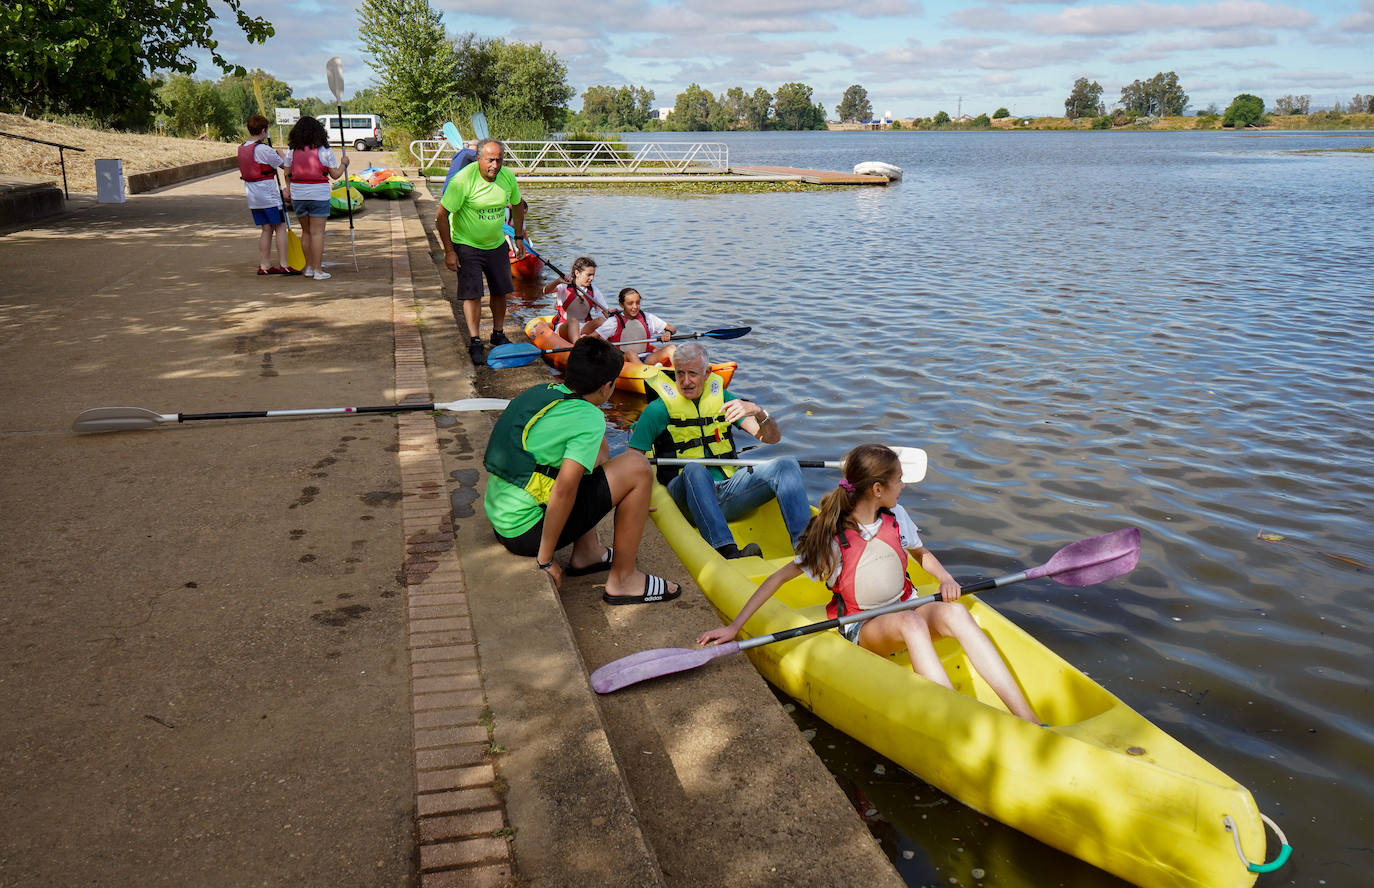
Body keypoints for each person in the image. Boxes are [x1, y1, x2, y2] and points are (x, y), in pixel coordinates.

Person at [696, 444, 1042, 724]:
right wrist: (736, 627)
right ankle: (956, 722)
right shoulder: (831, 537)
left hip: (907, 604)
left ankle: (1027, 719)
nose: (904, 485)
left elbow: (922, 555)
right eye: (899, 480)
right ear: (878, 489)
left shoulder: (896, 516)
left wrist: (946, 578)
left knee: (958, 615)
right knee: (910, 623)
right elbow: (778, 577)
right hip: (864, 625)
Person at [484, 336, 682, 605]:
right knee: (637, 467)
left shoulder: (542, 392)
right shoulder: (588, 417)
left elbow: (595, 464)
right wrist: (545, 560)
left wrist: (626, 501)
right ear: (607, 387)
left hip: (502, 519)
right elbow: (565, 489)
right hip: (525, 533)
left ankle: (587, 553)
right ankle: (623, 581)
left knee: (597, 451)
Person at [628, 341, 810, 560]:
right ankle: (727, 551)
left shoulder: (724, 400)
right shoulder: (658, 409)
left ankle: (808, 550)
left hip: (727, 490)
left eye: (693, 374)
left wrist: (760, 413)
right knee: (695, 469)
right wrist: (639, 499)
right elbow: (633, 458)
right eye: (680, 374)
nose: (685, 381)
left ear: (707, 373)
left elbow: (771, 438)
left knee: (787, 464)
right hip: (686, 495)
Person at [437, 138, 528, 366]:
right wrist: (449, 251)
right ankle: (475, 340)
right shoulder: (463, 180)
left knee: (501, 290)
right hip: (467, 244)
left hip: (496, 243)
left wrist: (518, 237)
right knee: (473, 293)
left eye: (499, 160)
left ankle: (498, 333)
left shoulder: (507, 177)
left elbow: (517, 205)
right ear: (478, 158)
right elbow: (440, 216)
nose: (495, 165)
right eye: (490, 160)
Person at [284, 116, 348, 281]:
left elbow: (287, 173)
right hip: (318, 194)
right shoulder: (325, 151)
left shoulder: (292, 150)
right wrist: (344, 164)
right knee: (318, 233)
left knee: (306, 232)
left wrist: (289, 190)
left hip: (298, 194)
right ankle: (319, 270)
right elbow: (335, 175)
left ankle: (309, 268)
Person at [238, 114, 298, 276]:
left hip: (252, 195)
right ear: (263, 131)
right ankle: (284, 264)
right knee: (280, 226)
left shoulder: (242, 147)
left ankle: (264, 265)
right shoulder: (263, 149)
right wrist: (281, 153)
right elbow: (285, 166)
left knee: (266, 229)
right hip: (267, 194)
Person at [595, 287, 677, 365]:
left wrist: (668, 333)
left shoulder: (646, 317)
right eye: (630, 303)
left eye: (637, 303)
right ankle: (646, 374)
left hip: (646, 357)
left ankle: (680, 374)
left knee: (671, 348)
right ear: (621, 305)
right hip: (623, 359)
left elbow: (672, 328)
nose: (635, 307)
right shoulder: (613, 322)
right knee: (631, 353)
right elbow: (593, 338)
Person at [541, 257, 608, 343]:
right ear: (577, 273)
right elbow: (545, 291)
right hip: (564, 326)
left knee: (601, 320)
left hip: (584, 327)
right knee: (573, 321)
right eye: (589, 275)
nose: (592, 278)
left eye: (593, 275)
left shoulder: (594, 290)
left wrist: (619, 318)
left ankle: (602, 345)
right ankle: (578, 347)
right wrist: (558, 281)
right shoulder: (564, 285)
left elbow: (606, 312)